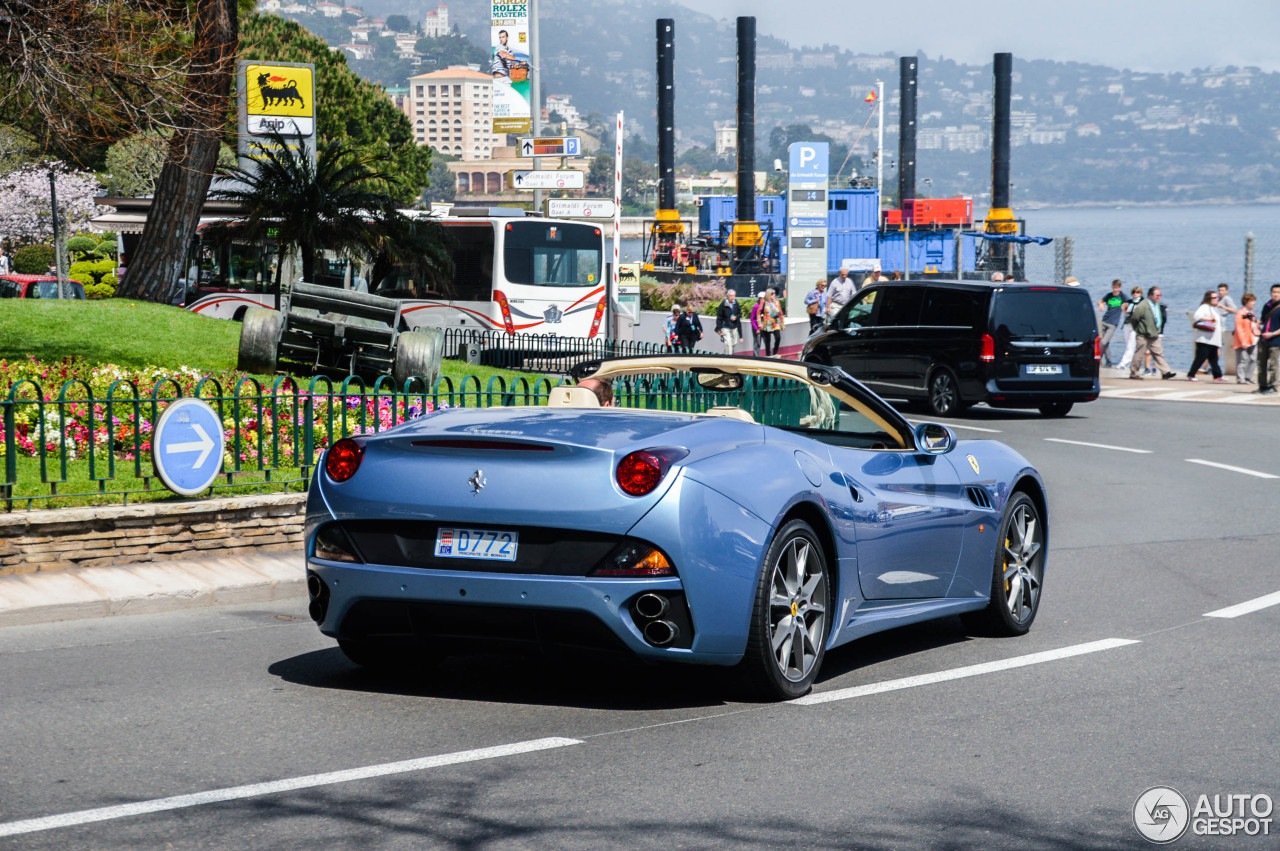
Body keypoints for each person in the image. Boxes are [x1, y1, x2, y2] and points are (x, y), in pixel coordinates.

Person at [1129, 286, 1177, 380]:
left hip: (1154, 334)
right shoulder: (1143, 305)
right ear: (1150, 295)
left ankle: (1166, 372)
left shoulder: (1157, 305)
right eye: (1157, 295)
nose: (1159, 297)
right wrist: (1138, 329)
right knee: (1139, 354)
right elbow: (1134, 318)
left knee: (1158, 353)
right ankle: (1134, 373)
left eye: (1160, 295)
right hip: (1143, 334)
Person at [1186, 290, 1225, 381]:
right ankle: (1191, 374)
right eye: (1214, 297)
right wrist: (1208, 318)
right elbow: (1196, 316)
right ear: (1209, 299)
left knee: (1213, 358)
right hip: (1204, 339)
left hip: (1212, 340)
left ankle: (1217, 376)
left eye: (1217, 297)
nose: (1217, 299)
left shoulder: (1213, 308)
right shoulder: (1204, 307)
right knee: (1200, 357)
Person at [1255, 284, 1280, 395]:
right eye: (1274, 292)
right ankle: (1262, 386)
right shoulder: (1267, 305)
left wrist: (1273, 334)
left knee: (1274, 365)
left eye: (1278, 292)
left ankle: (1273, 386)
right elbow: (1263, 320)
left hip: (1275, 340)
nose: (1275, 294)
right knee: (1261, 363)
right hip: (1263, 339)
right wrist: (1256, 323)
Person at [1097, 279, 1126, 368]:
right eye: (1114, 288)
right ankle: (1108, 362)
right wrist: (1101, 305)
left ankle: (1097, 361)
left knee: (1103, 342)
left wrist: (1125, 307)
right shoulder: (1109, 295)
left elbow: (1130, 303)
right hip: (1104, 321)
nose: (1115, 290)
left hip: (1113, 324)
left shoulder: (1122, 296)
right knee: (1106, 343)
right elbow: (1100, 301)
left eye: (1117, 288)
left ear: (1120, 288)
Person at [1116, 285, 1143, 372]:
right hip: (1127, 324)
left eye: (1137, 292)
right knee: (1128, 344)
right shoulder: (1130, 302)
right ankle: (1129, 363)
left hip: (1136, 326)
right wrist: (1124, 309)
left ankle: (1123, 363)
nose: (1135, 294)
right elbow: (1126, 311)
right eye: (1134, 292)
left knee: (1131, 345)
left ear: (1140, 293)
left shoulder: (1142, 302)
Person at [1234, 293, 1259, 384]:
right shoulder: (1240, 313)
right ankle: (1241, 378)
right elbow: (1239, 328)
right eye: (1252, 301)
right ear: (1246, 302)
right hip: (1243, 341)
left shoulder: (1251, 313)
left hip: (1252, 339)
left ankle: (1248, 376)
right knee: (1242, 360)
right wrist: (1242, 341)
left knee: (1254, 358)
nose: (1254, 303)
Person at [715, 288, 743, 354]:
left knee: (733, 344)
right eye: (730, 295)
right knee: (728, 343)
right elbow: (719, 317)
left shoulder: (736, 304)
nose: (732, 297)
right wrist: (718, 328)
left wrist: (736, 317)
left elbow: (740, 314)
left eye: (733, 295)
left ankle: (727, 355)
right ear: (728, 296)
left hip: (734, 326)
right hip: (725, 327)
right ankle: (729, 357)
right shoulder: (723, 304)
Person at [757, 287, 785, 356]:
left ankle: (775, 352)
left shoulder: (777, 302)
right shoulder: (764, 302)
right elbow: (759, 312)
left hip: (775, 323)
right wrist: (759, 322)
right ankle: (768, 355)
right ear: (769, 295)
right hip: (767, 323)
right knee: (767, 341)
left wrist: (782, 324)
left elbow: (780, 313)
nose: (774, 295)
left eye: (774, 294)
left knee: (778, 337)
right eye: (772, 294)